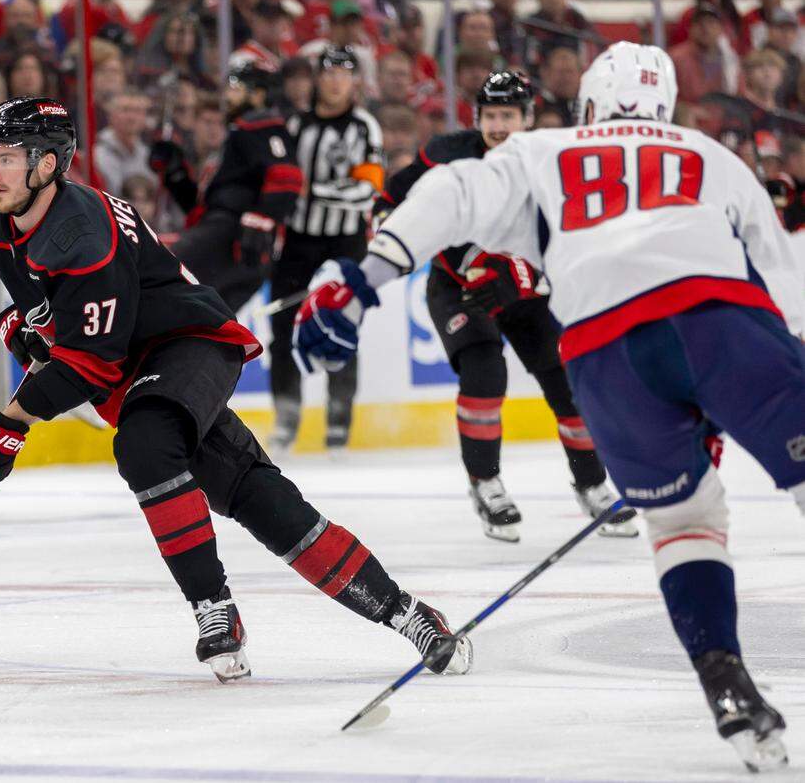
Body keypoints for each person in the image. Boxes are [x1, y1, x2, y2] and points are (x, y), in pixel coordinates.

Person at [295, 42, 805, 772]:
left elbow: (451, 193)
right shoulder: (707, 154)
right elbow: (784, 289)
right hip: (718, 320)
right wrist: (742, 389)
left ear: (588, 106)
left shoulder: (545, 150)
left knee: (685, 521)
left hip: (603, 349)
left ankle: (726, 681)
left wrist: (365, 274)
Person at [0, 95, 474, 683]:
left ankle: (212, 608)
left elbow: (92, 361)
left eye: (5, 157)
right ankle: (408, 613)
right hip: (138, 370)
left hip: (188, 343)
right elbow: (42, 304)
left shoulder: (83, 230)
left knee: (144, 445)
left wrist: (11, 423)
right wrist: (21, 325)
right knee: (262, 502)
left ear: (47, 165)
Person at [366, 71, 635, 543]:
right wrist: (402, 241)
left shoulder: (553, 161)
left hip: (528, 292)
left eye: (509, 116)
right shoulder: (445, 154)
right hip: (459, 288)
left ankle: (592, 484)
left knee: (568, 387)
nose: (499, 125)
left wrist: (525, 277)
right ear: (477, 118)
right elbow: (389, 202)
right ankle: (486, 483)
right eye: (490, 115)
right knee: (485, 373)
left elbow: (575, 241)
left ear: (528, 119)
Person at [270, 46, 383, 453]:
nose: (336, 81)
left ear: (355, 81)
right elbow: (279, 181)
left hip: (345, 242)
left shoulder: (366, 127)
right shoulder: (295, 125)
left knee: (341, 326)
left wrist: (312, 190)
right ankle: (286, 416)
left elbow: (366, 192)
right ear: (317, 78)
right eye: (329, 72)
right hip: (298, 241)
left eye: (344, 73)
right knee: (283, 326)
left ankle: (339, 421)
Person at [148, 62, 303, 313]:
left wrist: (261, 221)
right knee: (205, 320)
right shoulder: (234, 140)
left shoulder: (259, 125)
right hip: (226, 234)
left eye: (234, 87)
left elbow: (287, 177)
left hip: (232, 234)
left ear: (258, 95)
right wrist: (174, 173)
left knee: (158, 273)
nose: (227, 95)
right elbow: (201, 208)